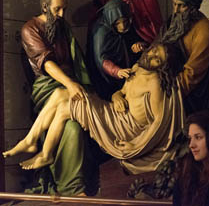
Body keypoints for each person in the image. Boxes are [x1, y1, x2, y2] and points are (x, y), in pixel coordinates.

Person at [3, 43, 185, 175]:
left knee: (66, 104)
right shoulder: (137, 68)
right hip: (116, 113)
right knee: (60, 94)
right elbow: (122, 92)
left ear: (162, 67)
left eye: (157, 59)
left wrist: (135, 145)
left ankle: (42, 151)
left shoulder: (154, 83)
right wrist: (117, 96)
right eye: (154, 50)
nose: (151, 55)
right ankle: (35, 144)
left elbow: (158, 124)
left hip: (126, 128)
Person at [5, 0, 96, 196]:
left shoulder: (63, 28)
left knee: (73, 124)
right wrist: (70, 85)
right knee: (70, 125)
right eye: (57, 9)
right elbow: (46, 64)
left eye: (64, 9)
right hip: (46, 87)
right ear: (45, 7)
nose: (62, 15)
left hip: (67, 86)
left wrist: (76, 83)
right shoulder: (30, 29)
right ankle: (70, 187)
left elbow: (76, 60)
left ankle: (72, 184)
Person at [158, 0, 209, 116]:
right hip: (170, 84)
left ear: (193, 7)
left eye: (181, 6)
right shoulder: (172, 22)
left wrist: (170, 93)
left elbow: (193, 72)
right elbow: (157, 47)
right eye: (174, 4)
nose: (176, 10)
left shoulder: (204, 29)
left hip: (196, 93)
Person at [87, 0, 143, 100]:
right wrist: (117, 71)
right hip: (107, 79)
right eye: (117, 23)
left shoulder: (128, 26)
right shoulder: (100, 31)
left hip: (126, 73)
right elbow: (101, 59)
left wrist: (138, 45)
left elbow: (132, 41)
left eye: (125, 21)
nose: (122, 26)